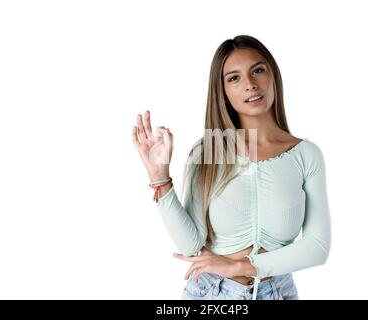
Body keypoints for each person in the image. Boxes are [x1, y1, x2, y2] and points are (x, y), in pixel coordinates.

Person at [132, 35, 331, 300]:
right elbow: (191, 245)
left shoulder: (306, 155)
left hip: (278, 293)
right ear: (222, 92)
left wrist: (241, 266)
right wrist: (159, 178)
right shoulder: (208, 151)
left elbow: (317, 247)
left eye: (257, 70)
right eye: (234, 78)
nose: (250, 85)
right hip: (212, 294)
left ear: (273, 76)